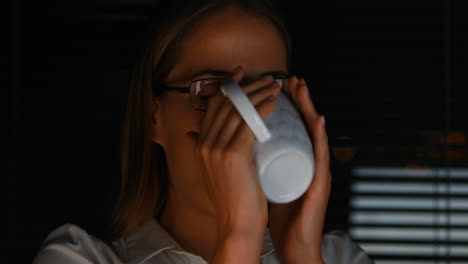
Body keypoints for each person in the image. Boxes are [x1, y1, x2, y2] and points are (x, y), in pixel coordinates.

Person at [33, 0, 373, 263]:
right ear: (153, 116)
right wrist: (239, 237)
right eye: (213, 91)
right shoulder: (80, 257)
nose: (249, 121)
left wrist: (299, 255)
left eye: (270, 91)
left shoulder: (336, 257)